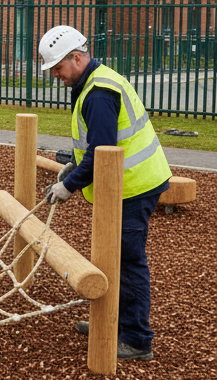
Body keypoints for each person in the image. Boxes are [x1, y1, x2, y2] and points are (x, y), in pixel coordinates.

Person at [39, 24, 171, 362]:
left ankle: (137, 339)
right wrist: (74, 167)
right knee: (112, 256)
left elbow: (102, 151)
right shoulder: (92, 83)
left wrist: (68, 185)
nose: (56, 75)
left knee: (127, 262)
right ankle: (111, 322)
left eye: (58, 68)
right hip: (124, 183)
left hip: (133, 185)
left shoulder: (98, 93)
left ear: (77, 57)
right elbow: (95, 149)